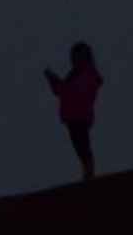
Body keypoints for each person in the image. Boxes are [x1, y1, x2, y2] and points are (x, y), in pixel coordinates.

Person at [44, 41, 104, 181]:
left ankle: (89, 173)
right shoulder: (75, 74)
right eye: (74, 56)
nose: (75, 59)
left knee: (82, 144)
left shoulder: (88, 73)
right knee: (79, 144)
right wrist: (53, 80)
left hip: (80, 114)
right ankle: (87, 172)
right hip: (72, 115)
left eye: (78, 55)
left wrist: (58, 82)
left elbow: (73, 91)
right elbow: (62, 91)